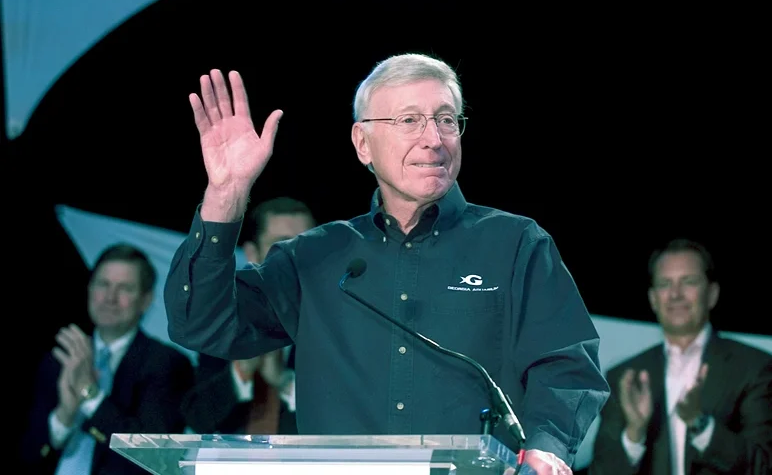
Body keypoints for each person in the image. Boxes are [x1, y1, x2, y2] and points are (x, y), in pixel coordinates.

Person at [164, 53, 610, 474]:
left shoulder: (515, 244)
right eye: (410, 121)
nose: (433, 139)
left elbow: (566, 367)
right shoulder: (313, 257)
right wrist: (226, 193)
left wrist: (545, 449)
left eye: (446, 120)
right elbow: (202, 325)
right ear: (363, 143)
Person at [589, 238, 772, 475]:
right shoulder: (623, 376)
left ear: (712, 294)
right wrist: (634, 433)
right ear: (653, 298)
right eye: (665, 284)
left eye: (688, 282)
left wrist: (699, 424)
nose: (675, 294)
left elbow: (764, 465)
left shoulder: (755, 367)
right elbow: (601, 471)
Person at [22, 243, 194, 474]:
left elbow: (154, 459)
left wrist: (89, 395)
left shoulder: (168, 364)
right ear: (90, 289)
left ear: (145, 300)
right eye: (103, 284)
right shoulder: (61, 358)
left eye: (125, 288)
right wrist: (64, 416)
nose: (110, 298)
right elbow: (30, 453)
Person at [180, 196, 316, 436]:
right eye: (282, 245)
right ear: (253, 253)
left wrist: (285, 383)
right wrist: (240, 372)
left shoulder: (336, 322)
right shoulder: (224, 322)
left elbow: (354, 415)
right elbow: (197, 418)